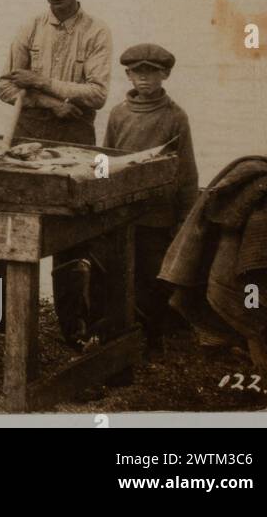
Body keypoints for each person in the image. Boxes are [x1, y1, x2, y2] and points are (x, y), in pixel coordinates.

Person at [0, 0, 113, 348]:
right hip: (26, 135)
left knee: (72, 231)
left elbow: (98, 93)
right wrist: (49, 101)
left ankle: (73, 326)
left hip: (75, 139)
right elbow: (6, 87)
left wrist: (41, 82)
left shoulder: (97, 33)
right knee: (9, 222)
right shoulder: (29, 28)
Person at [103, 43, 199, 351]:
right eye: (137, 72)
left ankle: (153, 339)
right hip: (122, 214)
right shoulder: (118, 114)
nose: (144, 79)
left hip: (158, 215)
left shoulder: (175, 117)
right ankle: (120, 337)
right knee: (119, 275)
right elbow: (106, 161)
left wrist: (183, 221)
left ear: (165, 75)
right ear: (128, 76)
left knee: (152, 277)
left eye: (152, 72)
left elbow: (186, 172)